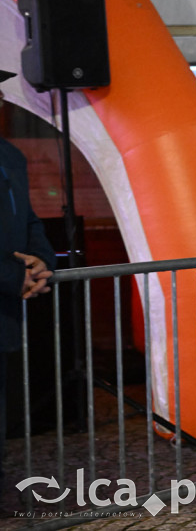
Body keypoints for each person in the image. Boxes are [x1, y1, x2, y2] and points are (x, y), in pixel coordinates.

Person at [0, 71, 57, 495]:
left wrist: (42, 264)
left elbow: (30, 219)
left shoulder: (11, 155)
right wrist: (10, 276)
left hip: (4, 311)